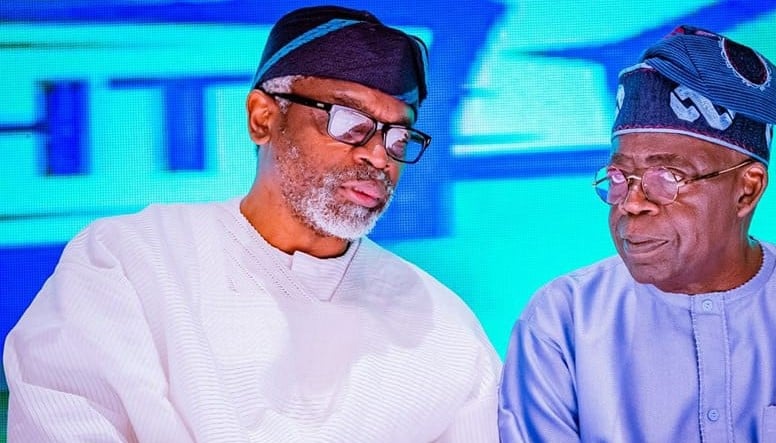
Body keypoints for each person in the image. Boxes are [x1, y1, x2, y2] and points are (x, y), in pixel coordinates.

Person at [4, 5, 501, 442]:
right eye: (350, 123)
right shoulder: (131, 262)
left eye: (398, 137)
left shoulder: (443, 327)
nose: (378, 157)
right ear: (263, 117)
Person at [498, 25, 776, 442]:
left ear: (747, 190)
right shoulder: (562, 322)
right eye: (619, 177)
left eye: (667, 177)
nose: (631, 203)